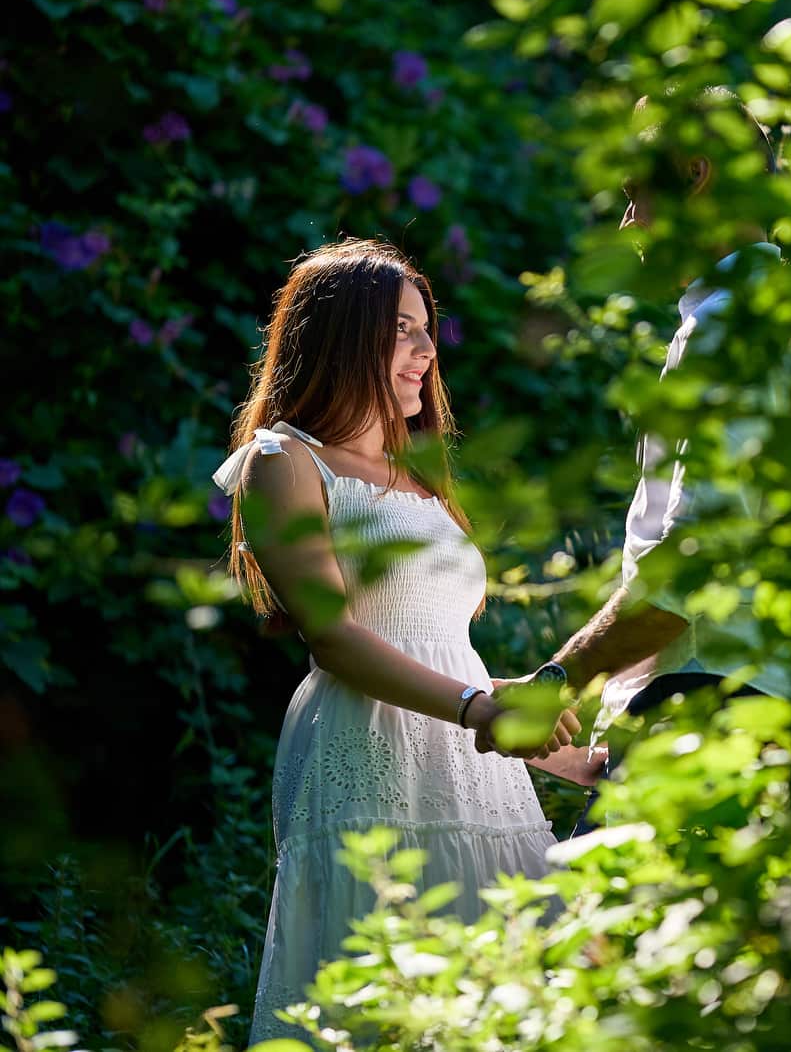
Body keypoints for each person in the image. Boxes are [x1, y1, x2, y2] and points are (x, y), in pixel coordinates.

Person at [210, 238, 579, 1044]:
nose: (425, 351)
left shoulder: (417, 479)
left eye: (426, 329)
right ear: (344, 338)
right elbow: (338, 637)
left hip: (463, 756)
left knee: (503, 992)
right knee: (380, 985)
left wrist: (564, 754)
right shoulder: (283, 460)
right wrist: (480, 705)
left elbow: (447, 654)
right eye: (402, 331)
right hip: (362, 750)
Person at [520, 89, 791, 828]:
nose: (628, 223)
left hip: (707, 706)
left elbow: (693, 566)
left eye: (634, 194)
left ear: (696, 175)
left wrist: (558, 677)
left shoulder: (725, 330)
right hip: (773, 711)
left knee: (588, 939)